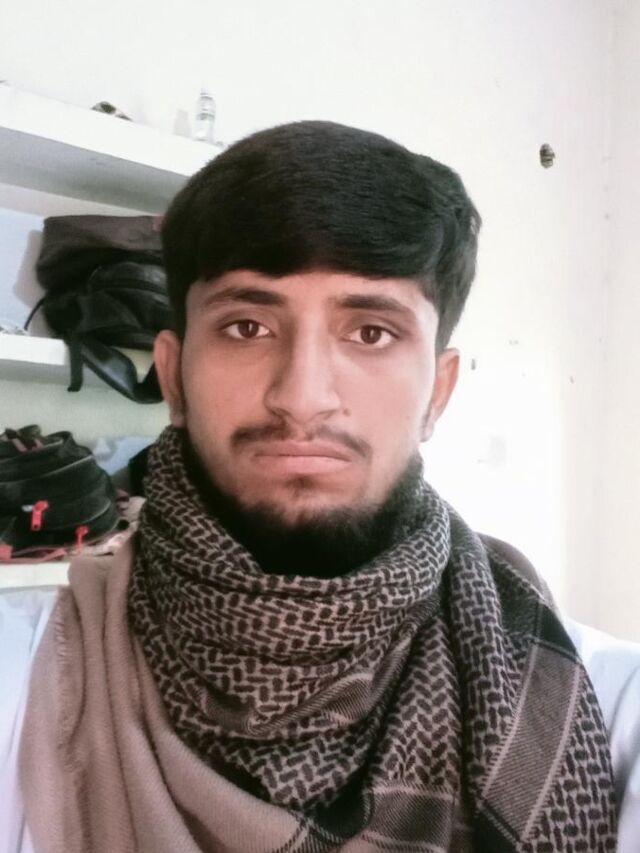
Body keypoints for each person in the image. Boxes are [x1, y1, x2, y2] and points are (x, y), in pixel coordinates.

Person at [1, 121, 639, 853]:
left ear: (438, 393)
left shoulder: (599, 707)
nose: (302, 398)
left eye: (370, 333)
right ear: (173, 377)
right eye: (247, 326)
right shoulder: (24, 672)